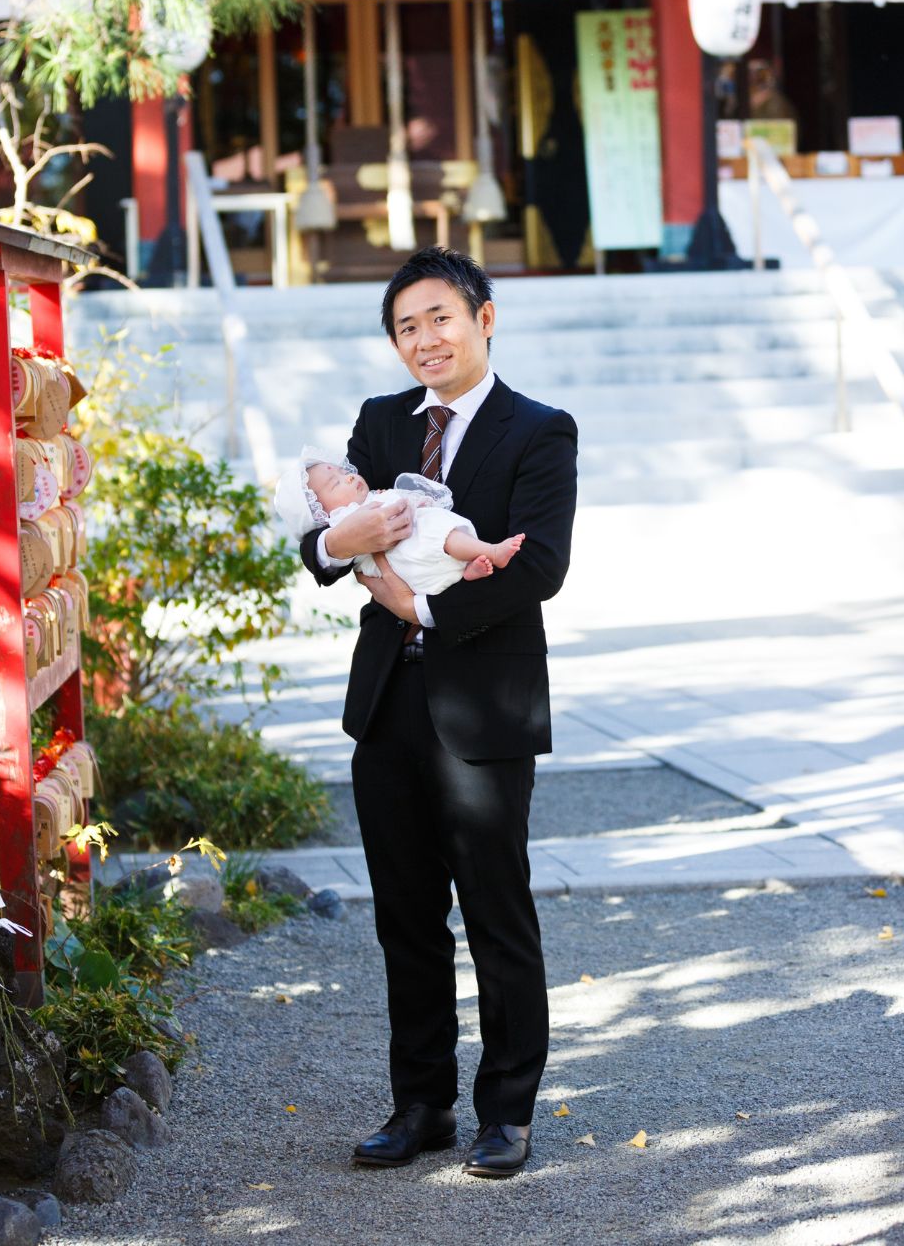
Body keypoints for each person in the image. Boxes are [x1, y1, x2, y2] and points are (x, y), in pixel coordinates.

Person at [298, 245, 577, 1180]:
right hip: (387, 703)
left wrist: (420, 606)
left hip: (484, 702)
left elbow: (539, 568)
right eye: (406, 326)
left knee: (496, 911)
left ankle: (507, 1112)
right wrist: (344, 537)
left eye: (440, 319)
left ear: (483, 317)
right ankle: (420, 1105)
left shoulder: (541, 429)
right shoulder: (380, 422)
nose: (424, 339)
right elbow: (323, 544)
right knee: (404, 917)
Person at [275, 451, 525, 593]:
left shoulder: (372, 496)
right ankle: (490, 550)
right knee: (437, 532)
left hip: (434, 587)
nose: (350, 478)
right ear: (321, 514)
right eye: (336, 483)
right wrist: (340, 542)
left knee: (438, 529)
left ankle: (465, 572)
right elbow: (317, 543)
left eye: (344, 472)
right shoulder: (343, 519)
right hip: (405, 558)